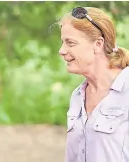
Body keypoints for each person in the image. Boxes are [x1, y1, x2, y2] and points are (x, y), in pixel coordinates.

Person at [58, 6, 129, 162]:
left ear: (98, 44)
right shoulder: (77, 96)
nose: (61, 50)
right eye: (63, 42)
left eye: (70, 43)